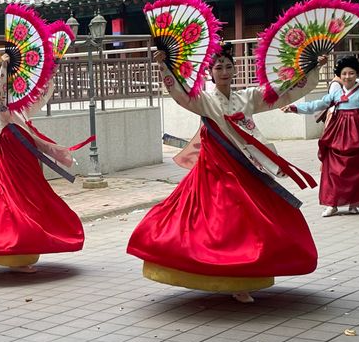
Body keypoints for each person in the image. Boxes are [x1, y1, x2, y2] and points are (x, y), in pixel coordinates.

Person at [127, 48, 325, 303]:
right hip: (215, 169)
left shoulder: (248, 97)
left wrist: (313, 69)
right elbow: (180, 94)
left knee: (252, 221)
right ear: (210, 73)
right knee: (220, 221)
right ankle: (217, 270)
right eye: (218, 68)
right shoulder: (204, 100)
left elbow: (281, 92)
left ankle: (241, 277)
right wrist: (165, 66)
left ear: (235, 70)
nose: (224, 72)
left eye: (228, 67)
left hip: (244, 166)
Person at [0, 54, 83, 270]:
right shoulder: (6, 103)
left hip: (23, 148)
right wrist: (4, 66)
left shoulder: (25, 102)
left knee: (26, 194)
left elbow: (39, 96)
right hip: (13, 148)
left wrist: (50, 72)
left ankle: (24, 245)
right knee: (10, 193)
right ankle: (14, 243)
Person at [284, 55, 359, 216]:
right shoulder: (335, 94)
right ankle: (332, 203)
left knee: (357, 170)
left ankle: (354, 202)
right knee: (333, 169)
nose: (348, 77)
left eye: (351, 73)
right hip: (338, 135)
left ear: (356, 74)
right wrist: (295, 108)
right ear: (339, 76)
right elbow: (317, 104)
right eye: (344, 74)